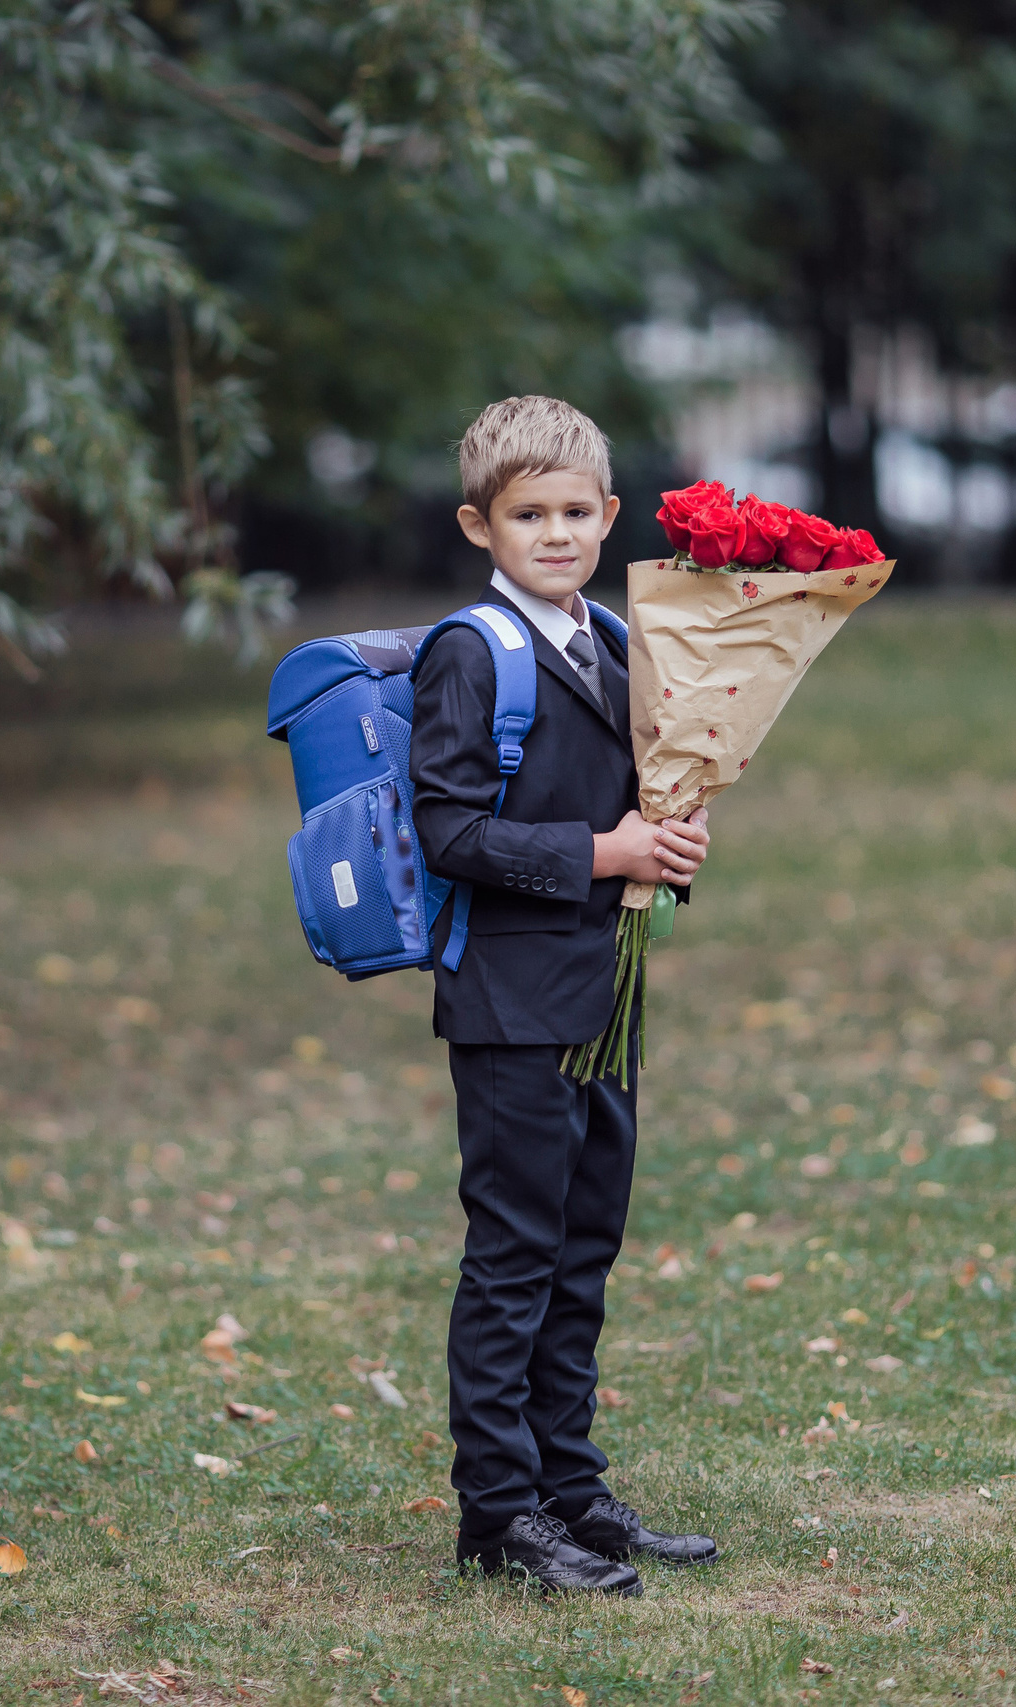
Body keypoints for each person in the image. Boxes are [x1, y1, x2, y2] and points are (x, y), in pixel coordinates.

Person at [409, 395, 718, 1596]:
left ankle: (571, 1491)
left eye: (574, 511)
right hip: (508, 1002)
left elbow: (641, 797)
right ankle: (498, 1511)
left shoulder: (612, 635)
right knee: (515, 1255)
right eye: (526, 514)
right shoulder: (468, 651)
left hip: (600, 996)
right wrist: (607, 854)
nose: (553, 532)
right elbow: (449, 830)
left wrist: (674, 837)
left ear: (609, 517)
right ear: (479, 525)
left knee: (583, 1247)